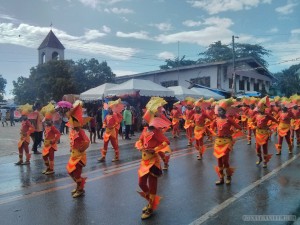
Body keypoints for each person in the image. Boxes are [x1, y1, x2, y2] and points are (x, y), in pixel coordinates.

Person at [135, 97, 171, 220]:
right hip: (144, 161)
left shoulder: (156, 131)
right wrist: (140, 146)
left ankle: (150, 207)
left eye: (146, 117)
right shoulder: (145, 130)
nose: (144, 119)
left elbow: (166, 142)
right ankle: (151, 201)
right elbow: (139, 141)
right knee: (141, 183)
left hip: (153, 162)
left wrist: (155, 150)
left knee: (152, 186)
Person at [211, 99, 242, 185]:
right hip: (218, 142)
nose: (219, 112)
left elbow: (239, 127)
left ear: (224, 111)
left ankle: (228, 176)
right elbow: (211, 127)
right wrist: (215, 133)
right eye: (219, 110)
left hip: (227, 142)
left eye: (221, 110)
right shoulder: (216, 120)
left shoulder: (229, 119)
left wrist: (232, 134)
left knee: (225, 161)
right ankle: (221, 178)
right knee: (219, 161)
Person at [66, 104, 90, 198]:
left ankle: (80, 189)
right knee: (70, 172)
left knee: (76, 173)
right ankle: (79, 186)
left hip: (79, 156)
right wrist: (71, 147)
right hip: (73, 155)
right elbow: (73, 141)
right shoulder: (72, 131)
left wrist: (82, 148)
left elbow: (87, 141)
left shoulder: (80, 131)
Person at [252, 96, 278, 168]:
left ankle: (265, 161)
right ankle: (260, 158)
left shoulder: (267, 115)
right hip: (258, 133)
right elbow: (251, 122)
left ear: (263, 109)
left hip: (265, 134)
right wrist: (254, 126)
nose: (258, 109)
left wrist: (271, 127)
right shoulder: (256, 115)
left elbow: (275, 121)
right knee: (257, 148)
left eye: (259, 108)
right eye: (258, 108)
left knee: (264, 147)